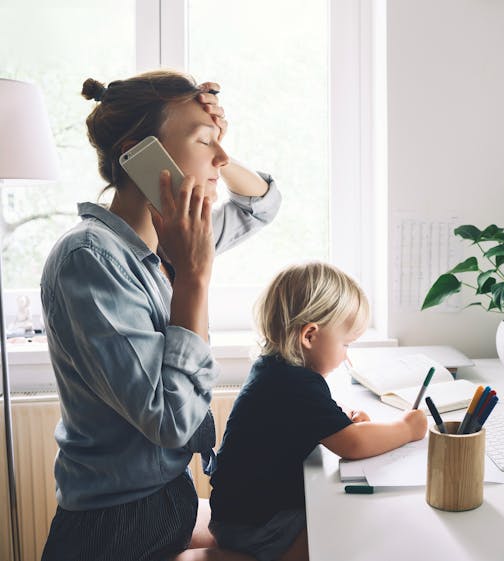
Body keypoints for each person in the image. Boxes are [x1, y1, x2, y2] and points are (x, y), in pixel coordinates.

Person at [39, 70, 281, 561]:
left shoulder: (169, 240)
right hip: (117, 527)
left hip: (167, 500)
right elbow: (171, 421)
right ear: (139, 152)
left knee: (297, 526)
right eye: (204, 142)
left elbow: (261, 204)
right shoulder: (91, 259)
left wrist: (214, 139)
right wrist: (193, 278)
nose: (221, 159)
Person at [208, 261, 428, 561]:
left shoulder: (274, 369)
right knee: (347, 528)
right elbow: (353, 444)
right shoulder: (297, 383)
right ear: (310, 336)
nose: (347, 357)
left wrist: (342, 419)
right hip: (256, 525)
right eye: (346, 344)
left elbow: (309, 418)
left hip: (235, 514)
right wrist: (407, 428)